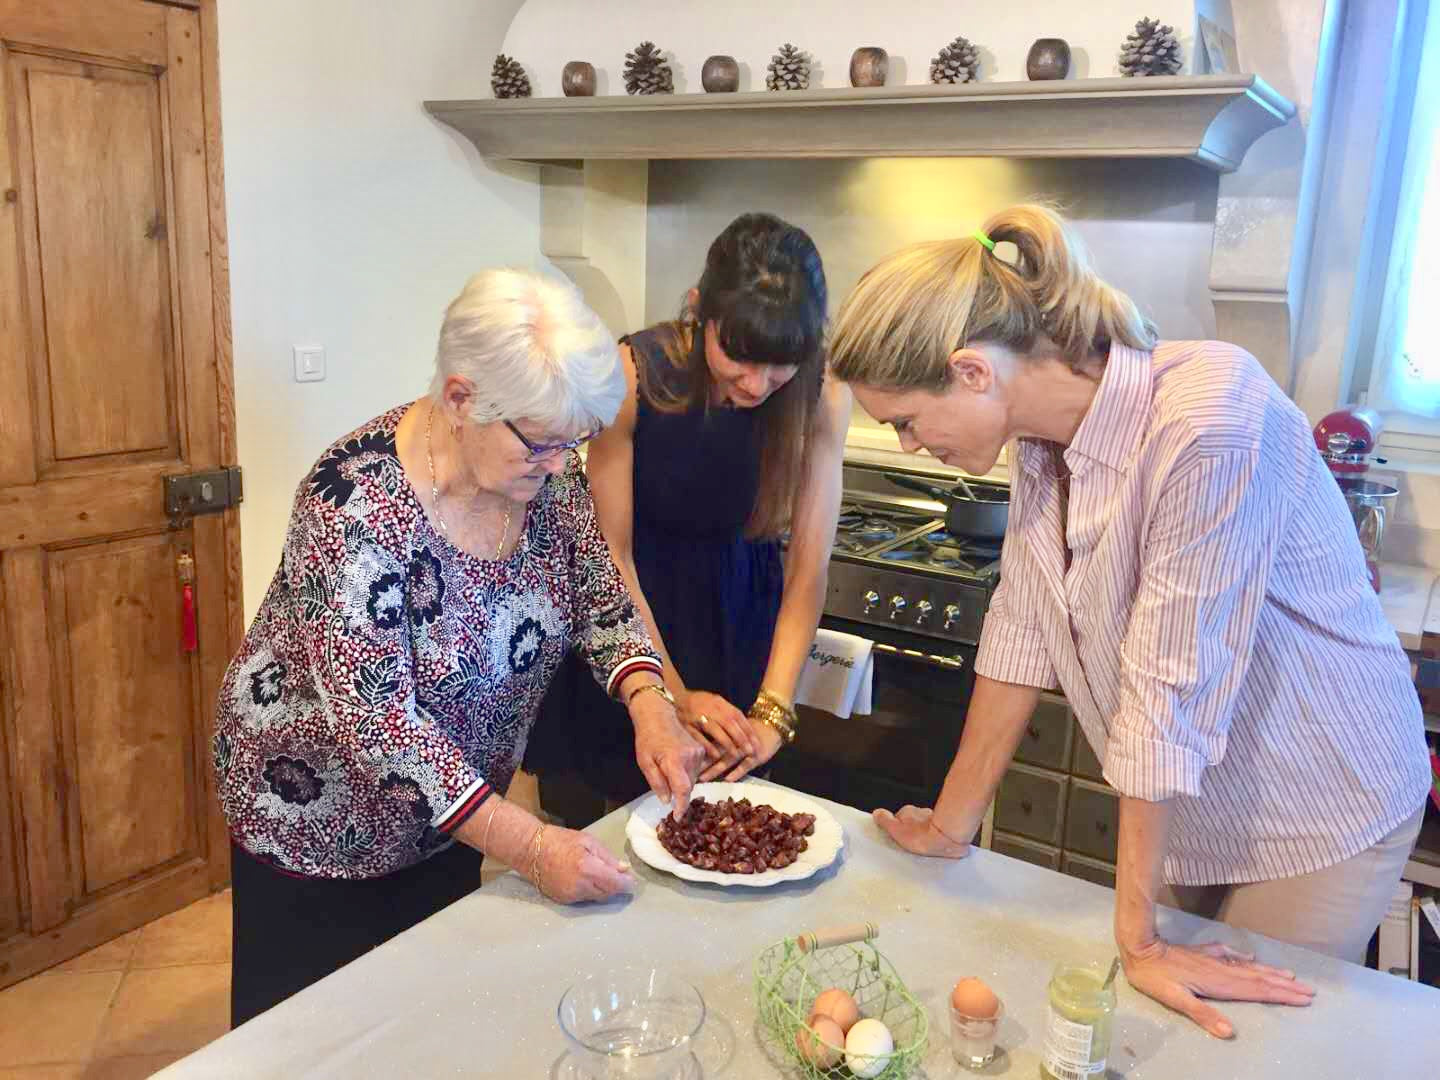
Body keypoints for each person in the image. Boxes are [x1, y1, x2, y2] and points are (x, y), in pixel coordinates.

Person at [827, 205, 1431, 1038]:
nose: (905, 444)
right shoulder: (1041, 439)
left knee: (1246, 1047)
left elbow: (1167, 684)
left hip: (1321, 798)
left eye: (903, 421)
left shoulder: (1208, 419)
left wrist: (1138, 941)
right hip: (1195, 796)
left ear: (972, 372)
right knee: (1161, 1028)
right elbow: (1022, 623)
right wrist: (948, 826)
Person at [214, 269, 703, 1025]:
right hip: (314, 818)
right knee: (312, 1038)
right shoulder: (352, 504)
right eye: (541, 444)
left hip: (453, 817)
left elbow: (604, 603)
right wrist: (531, 846)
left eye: (572, 443)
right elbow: (382, 726)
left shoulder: (548, 477)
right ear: (461, 397)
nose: (559, 464)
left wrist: (652, 705)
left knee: (421, 1017)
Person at [528, 212, 848, 809]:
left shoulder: (823, 393)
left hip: (743, 618)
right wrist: (670, 696)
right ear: (701, 311)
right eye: (739, 357)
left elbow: (809, 568)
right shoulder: (634, 375)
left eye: (780, 365)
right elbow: (614, 555)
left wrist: (773, 711)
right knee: (619, 820)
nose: (757, 385)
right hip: (636, 614)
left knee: (728, 821)